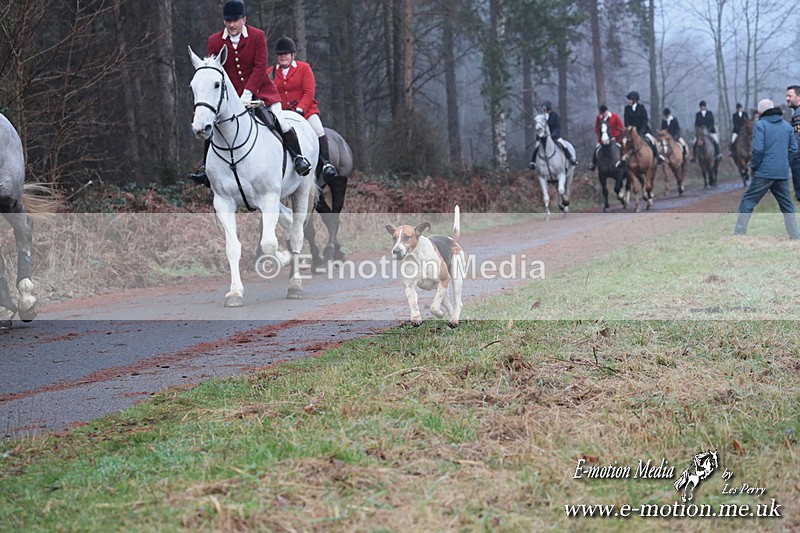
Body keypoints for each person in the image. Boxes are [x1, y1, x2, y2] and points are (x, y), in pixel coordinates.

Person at [189, 0, 311, 186]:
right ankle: (206, 168)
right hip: (230, 97)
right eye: (228, 21)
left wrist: (247, 94)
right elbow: (214, 71)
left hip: (262, 94)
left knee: (281, 121)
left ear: (244, 19)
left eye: (235, 20)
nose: (231, 25)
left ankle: (298, 158)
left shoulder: (257, 36)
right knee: (213, 125)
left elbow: (260, 67)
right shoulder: (214, 41)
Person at [267, 37, 337, 183]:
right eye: (280, 54)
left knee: (318, 130)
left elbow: (309, 92)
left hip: (305, 111)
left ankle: (326, 164)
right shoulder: (270, 73)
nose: (283, 56)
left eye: (286, 53)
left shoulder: (304, 68)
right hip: (281, 114)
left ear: (293, 55)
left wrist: (300, 109)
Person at [734, 99, 800, 239]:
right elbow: (794, 149)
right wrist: (784, 163)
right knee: (787, 205)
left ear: (760, 112)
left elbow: (757, 150)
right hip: (781, 173)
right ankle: (795, 236)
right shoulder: (788, 127)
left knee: (748, 201)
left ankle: (739, 234)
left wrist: (754, 166)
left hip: (764, 172)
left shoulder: (760, 125)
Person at [620, 91, 664, 168]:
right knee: (624, 142)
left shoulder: (641, 108)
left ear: (635, 100)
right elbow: (626, 120)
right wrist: (628, 127)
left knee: (652, 140)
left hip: (642, 130)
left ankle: (657, 155)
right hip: (630, 132)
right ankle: (622, 160)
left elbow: (645, 120)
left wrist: (641, 131)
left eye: (630, 99)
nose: (628, 101)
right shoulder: (627, 108)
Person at [529, 100, 578, 167]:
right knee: (536, 148)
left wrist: (552, 135)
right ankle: (533, 162)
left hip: (554, 136)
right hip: (543, 137)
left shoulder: (554, 115)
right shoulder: (541, 117)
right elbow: (540, 128)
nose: (545, 111)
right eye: (544, 110)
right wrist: (539, 136)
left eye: (546, 110)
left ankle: (571, 158)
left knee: (563, 145)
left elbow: (557, 127)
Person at [588, 104, 624, 170]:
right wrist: (601, 137)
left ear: (606, 111)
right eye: (602, 113)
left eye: (604, 113)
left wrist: (615, 136)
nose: (603, 114)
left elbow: (621, 127)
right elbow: (596, 129)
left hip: (615, 138)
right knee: (597, 149)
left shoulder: (615, 116)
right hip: (603, 139)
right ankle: (593, 163)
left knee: (622, 148)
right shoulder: (599, 118)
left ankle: (623, 163)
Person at [785, 85, 800, 201]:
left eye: (790, 96)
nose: (787, 98)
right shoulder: (795, 113)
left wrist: (792, 156)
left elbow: (797, 138)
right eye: (786, 96)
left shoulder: (798, 114)